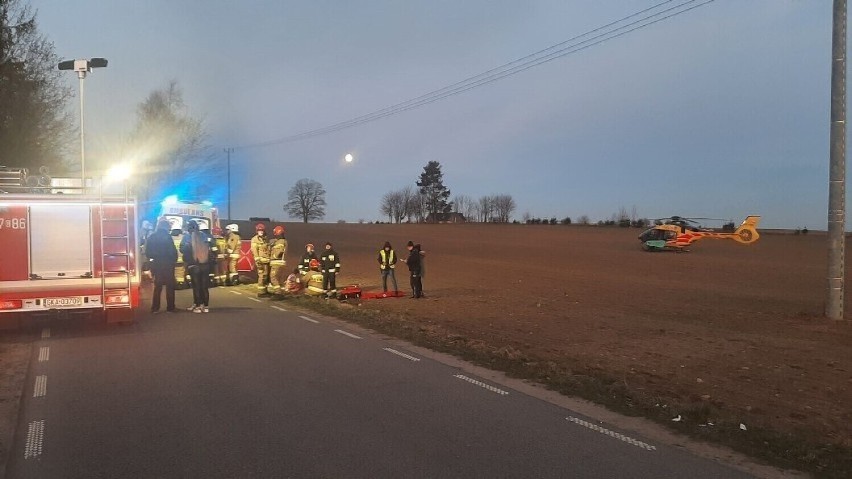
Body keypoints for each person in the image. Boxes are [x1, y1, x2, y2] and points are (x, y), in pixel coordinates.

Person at [145, 219, 178, 313]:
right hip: (168, 264)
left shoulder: (152, 237)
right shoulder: (168, 237)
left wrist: (153, 260)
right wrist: (173, 261)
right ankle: (170, 308)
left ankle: (155, 308)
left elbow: (147, 252)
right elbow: (172, 251)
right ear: (166, 227)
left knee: (157, 286)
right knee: (170, 286)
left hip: (156, 264)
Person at [180, 220, 213, 313]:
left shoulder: (187, 236)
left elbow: (183, 249)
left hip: (194, 264)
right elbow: (211, 247)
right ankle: (205, 306)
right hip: (205, 264)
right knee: (204, 286)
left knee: (196, 286)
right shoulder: (204, 235)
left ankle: (197, 306)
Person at [251, 223, 271, 294]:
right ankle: (261, 292)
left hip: (267, 261)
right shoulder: (254, 239)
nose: (261, 232)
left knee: (266, 276)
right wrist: (257, 260)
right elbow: (254, 250)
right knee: (262, 275)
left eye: (262, 230)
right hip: (260, 261)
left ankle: (265, 290)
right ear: (257, 231)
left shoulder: (265, 239)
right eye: (259, 230)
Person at [268, 225, 288, 294]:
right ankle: (281, 291)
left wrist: (273, 256)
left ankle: (278, 292)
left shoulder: (281, 242)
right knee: (279, 279)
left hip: (277, 262)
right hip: (279, 262)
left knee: (273, 277)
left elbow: (279, 251)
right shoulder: (281, 241)